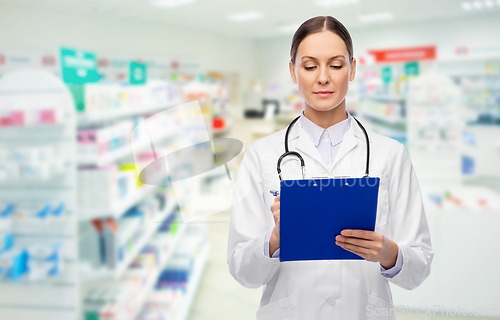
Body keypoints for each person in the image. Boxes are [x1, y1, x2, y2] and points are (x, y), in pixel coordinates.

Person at [227, 15, 433, 320]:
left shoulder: (391, 154)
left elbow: (418, 269)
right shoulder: (262, 155)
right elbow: (242, 271)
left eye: (335, 65)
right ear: (293, 71)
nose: (323, 77)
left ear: (352, 68)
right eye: (309, 66)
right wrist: (276, 239)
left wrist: (387, 252)